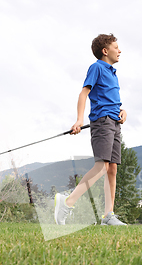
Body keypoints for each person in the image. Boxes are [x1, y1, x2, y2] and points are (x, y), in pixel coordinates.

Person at [54, 33, 127, 226]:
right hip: (102, 122)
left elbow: (109, 98)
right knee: (101, 167)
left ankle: (108, 216)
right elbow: (84, 93)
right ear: (105, 51)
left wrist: (122, 111)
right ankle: (67, 202)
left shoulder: (112, 72)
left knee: (112, 169)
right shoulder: (97, 67)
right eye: (116, 47)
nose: (120, 51)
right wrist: (79, 120)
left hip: (114, 122)